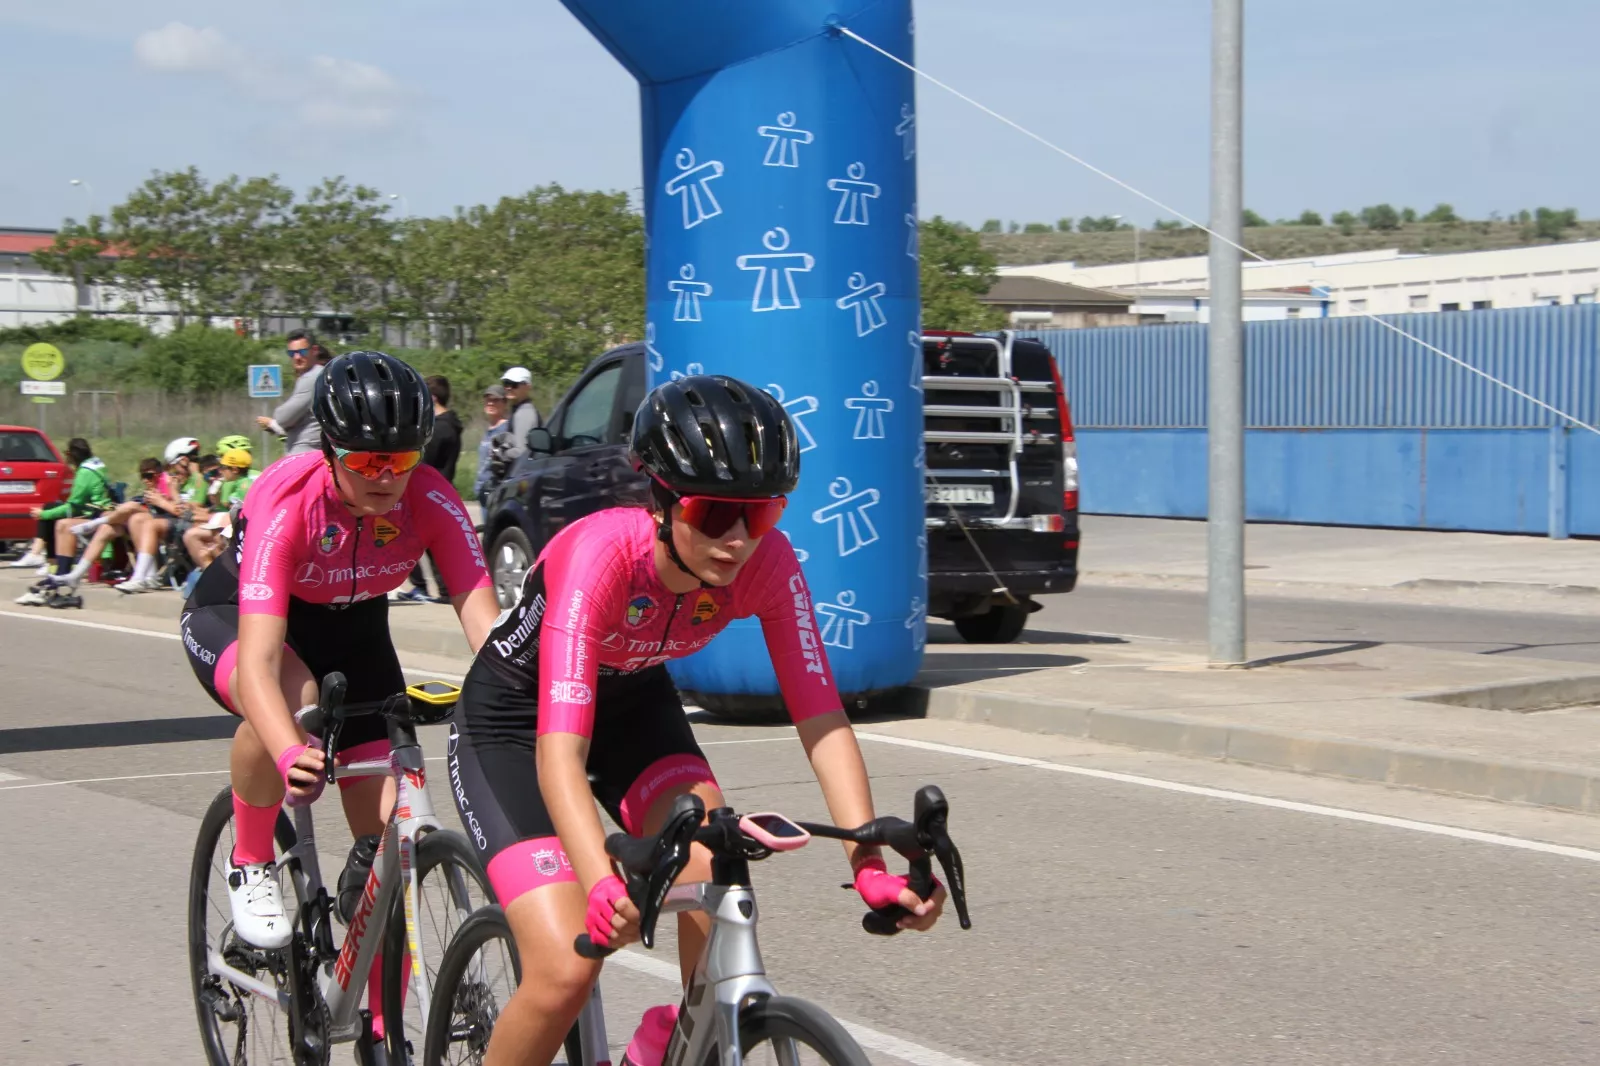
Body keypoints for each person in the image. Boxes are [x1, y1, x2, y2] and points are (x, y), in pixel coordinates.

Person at [445, 375, 946, 1065]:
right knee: (566, 968)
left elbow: (822, 720)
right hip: (514, 720)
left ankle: (673, 1041)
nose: (737, 539)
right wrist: (601, 883)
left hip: (631, 703)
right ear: (660, 500)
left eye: (760, 514)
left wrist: (866, 861)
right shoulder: (601, 558)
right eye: (713, 514)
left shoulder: (770, 565)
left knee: (713, 860)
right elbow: (559, 755)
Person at [179, 350, 498, 979]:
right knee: (289, 700)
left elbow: (488, 630)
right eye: (367, 461)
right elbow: (260, 664)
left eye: (401, 459)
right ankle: (250, 860)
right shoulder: (288, 503)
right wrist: (285, 749)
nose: (387, 476)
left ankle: (376, 1022)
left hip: (356, 633)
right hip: (242, 617)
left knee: (391, 853)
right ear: (330, 449)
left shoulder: (431, 499)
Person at [398, 375, 464, 604]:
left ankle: (431, 588)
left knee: (406, 538)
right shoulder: (449, 424)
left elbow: (422, 463)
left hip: (428, 492)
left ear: (432, 398)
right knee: (426, 542)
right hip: (439, 490)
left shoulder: (440, 429)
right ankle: (435, 588)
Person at [116, 437, 211, 593]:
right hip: (178, 522)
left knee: (151, 524)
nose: (172, 472)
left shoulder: (198, 480)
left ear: (184, 461)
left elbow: (188, 513)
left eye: (174, 467)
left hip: (193, 524)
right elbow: (178, 506)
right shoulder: (182, 481)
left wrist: (163, 501)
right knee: (137, 519)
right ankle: (149, 575)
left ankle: (138, 578)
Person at [9, 437, 114, 574]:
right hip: (97, 509)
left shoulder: (85, 472)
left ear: (72, 455)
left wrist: (43, 514)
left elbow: (73, 506)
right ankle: (40, 555)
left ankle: (46, 558)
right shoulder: (96, 465)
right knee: (50, 507)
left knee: (51, 514)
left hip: (93, 514)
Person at [182, 448, 258, 576]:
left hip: (240, 531)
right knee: (198, 536)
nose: (220, 471)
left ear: (235, 470)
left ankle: (216, 575)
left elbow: (244, 514)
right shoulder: (232, 483)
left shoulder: (245, 485)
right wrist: (215, 496)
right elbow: (224, 507)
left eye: (223, 468)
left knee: (195, 536)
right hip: (229, 526)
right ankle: (213, 573)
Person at [257, 332, 331, 455]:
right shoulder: (322, 374)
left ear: (314, 350)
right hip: (317, 449)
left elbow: (283, 418)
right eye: (292, 353)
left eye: (302, 352)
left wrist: (272, 422)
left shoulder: (311, 378)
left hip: (305, 451)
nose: (297, 357)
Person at [473, 384, 511, 509]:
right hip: (483, 491)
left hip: (495, 492)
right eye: (488, 400)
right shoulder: (489, 430)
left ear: (504, 403)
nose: (490, 403)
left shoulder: (505, 429)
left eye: (495, 400)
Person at [501, 366, 542, 460]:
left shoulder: (525, 412)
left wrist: (501, 454)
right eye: (506, 383)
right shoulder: (518, 409)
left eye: (514, 384)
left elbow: (522, 452)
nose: (509, 388)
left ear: (527, 387)